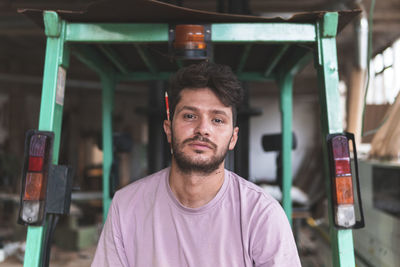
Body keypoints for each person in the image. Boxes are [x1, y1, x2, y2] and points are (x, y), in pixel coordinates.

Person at [91, 62, 301, 267]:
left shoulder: (262, 214)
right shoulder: (126, 206)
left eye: (217, 120)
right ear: (168, 129)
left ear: (233, 138)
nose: (203, 129)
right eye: (190, 116)